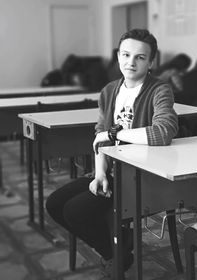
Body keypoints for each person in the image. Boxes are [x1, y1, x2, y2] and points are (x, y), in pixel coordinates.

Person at [46, 29, 178, 279]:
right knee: (54, 204)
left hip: (139, 176)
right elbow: (99, 136)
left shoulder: (160, 90)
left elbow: (163, 132)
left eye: (140, 57)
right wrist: (99, 174)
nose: (131, 62)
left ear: (151, 62)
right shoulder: (109, 91)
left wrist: (114, 135)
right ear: (118, 56)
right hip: (111, 170)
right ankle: (116, 250)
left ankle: (116, 254)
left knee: (75, 210)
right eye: (126, 54)